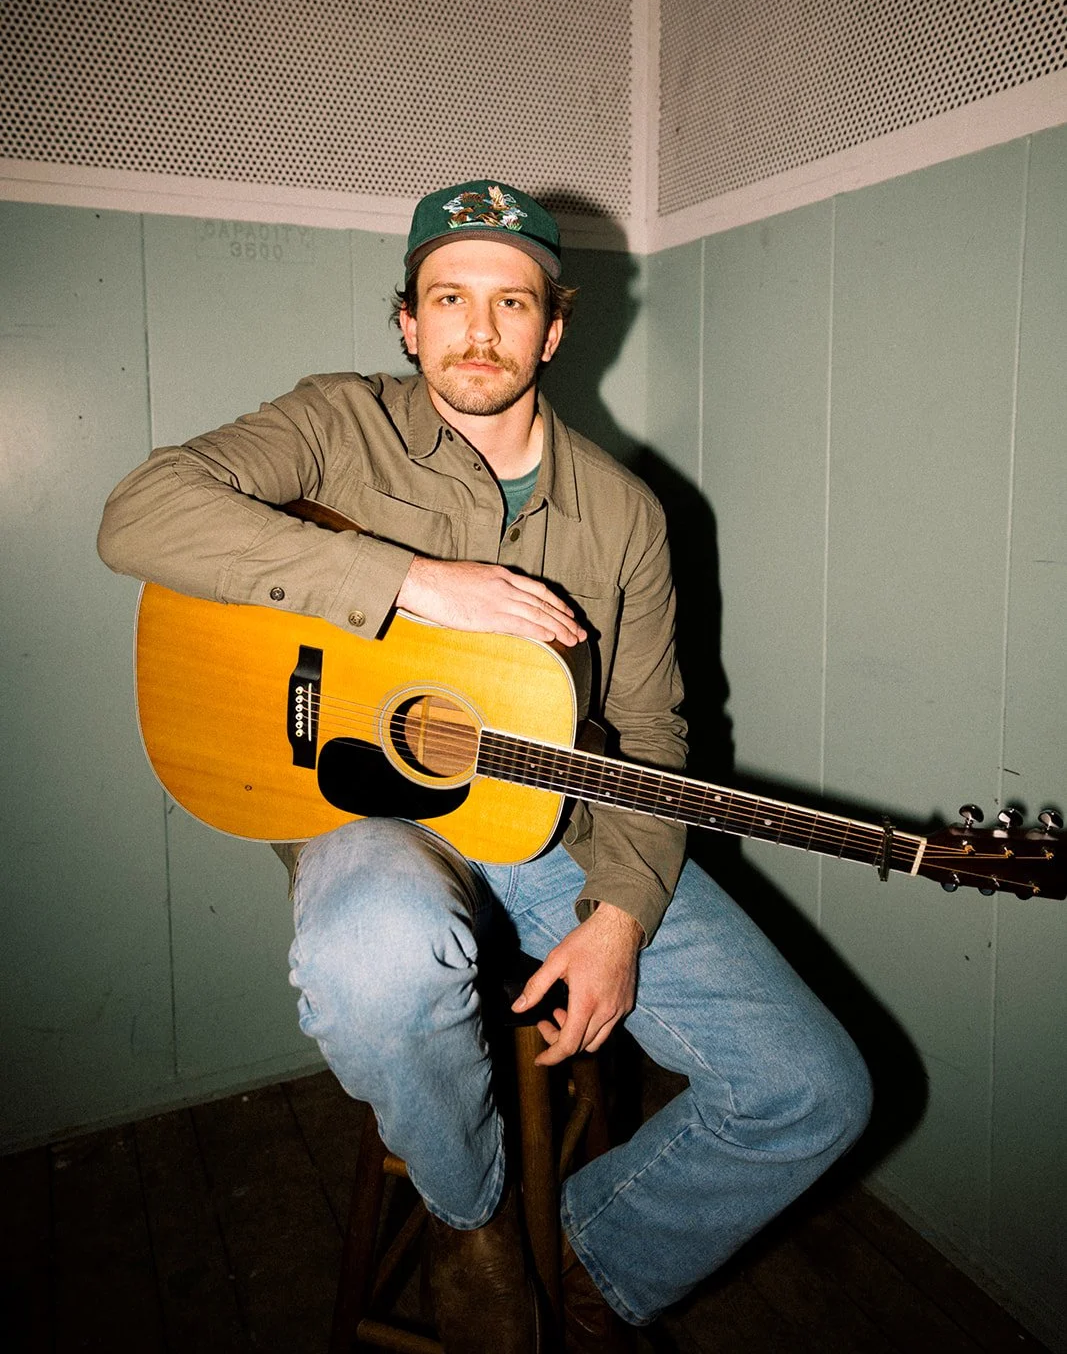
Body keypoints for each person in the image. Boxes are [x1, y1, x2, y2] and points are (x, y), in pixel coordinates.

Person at [98, 180, 872, 1352]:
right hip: (366, 811)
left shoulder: (624, 514)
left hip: (558, 825)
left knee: (813, 1088)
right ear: (406, 321)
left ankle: (589, 1256)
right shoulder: (335, 421)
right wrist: (408, 583)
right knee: (370, 950)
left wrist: (618, 916)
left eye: (510, 302)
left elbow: (655, 738)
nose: (477, 328)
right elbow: (142, 513)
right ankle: (469, 1212)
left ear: (552, 328)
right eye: (447, 297)